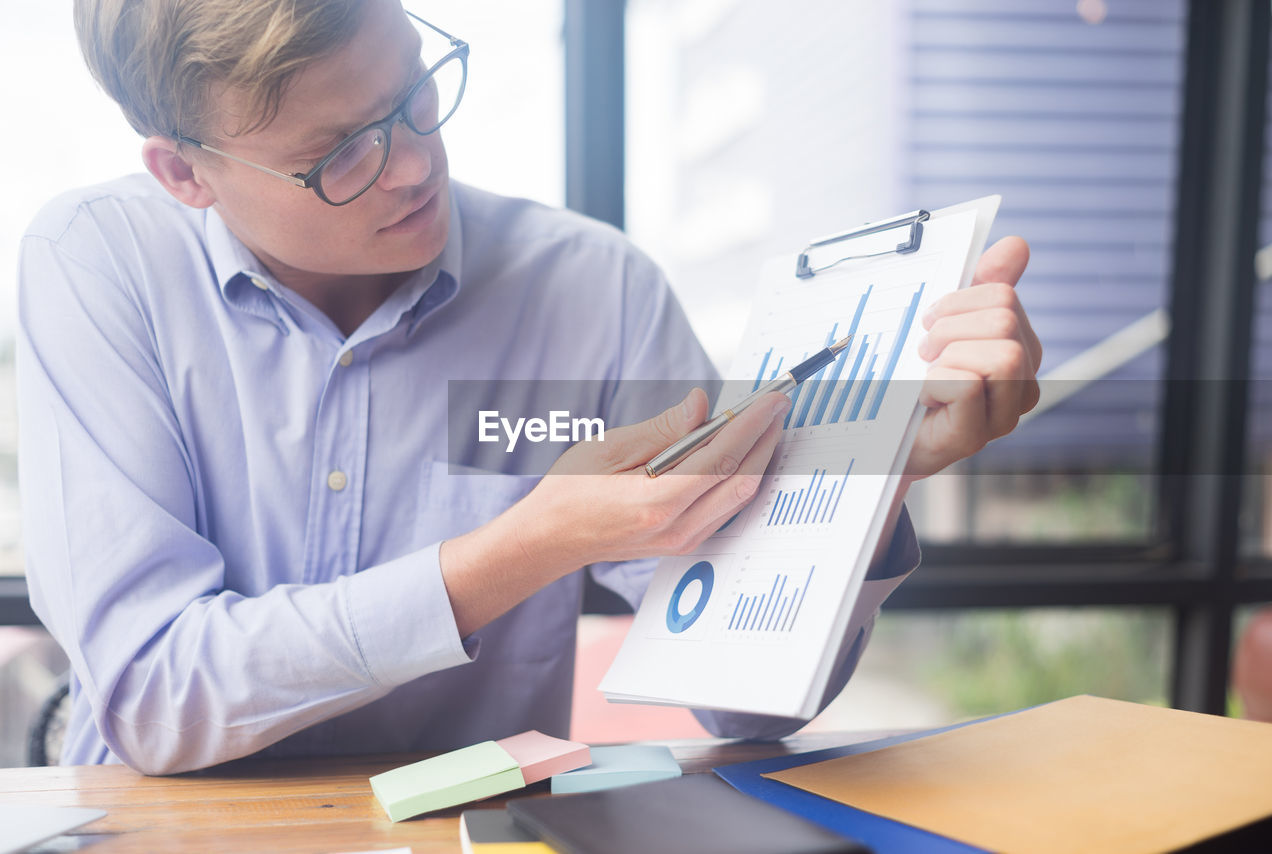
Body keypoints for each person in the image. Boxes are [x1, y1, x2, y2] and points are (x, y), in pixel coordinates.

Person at [17, 0, 1041, 774]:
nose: (413, 165)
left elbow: (747, 703)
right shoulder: (97, 264)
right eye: (336, 156)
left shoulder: (594, 288)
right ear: (184, 174)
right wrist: (529, 545)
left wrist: (876, 474)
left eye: (413, 94)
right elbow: (152, 693)